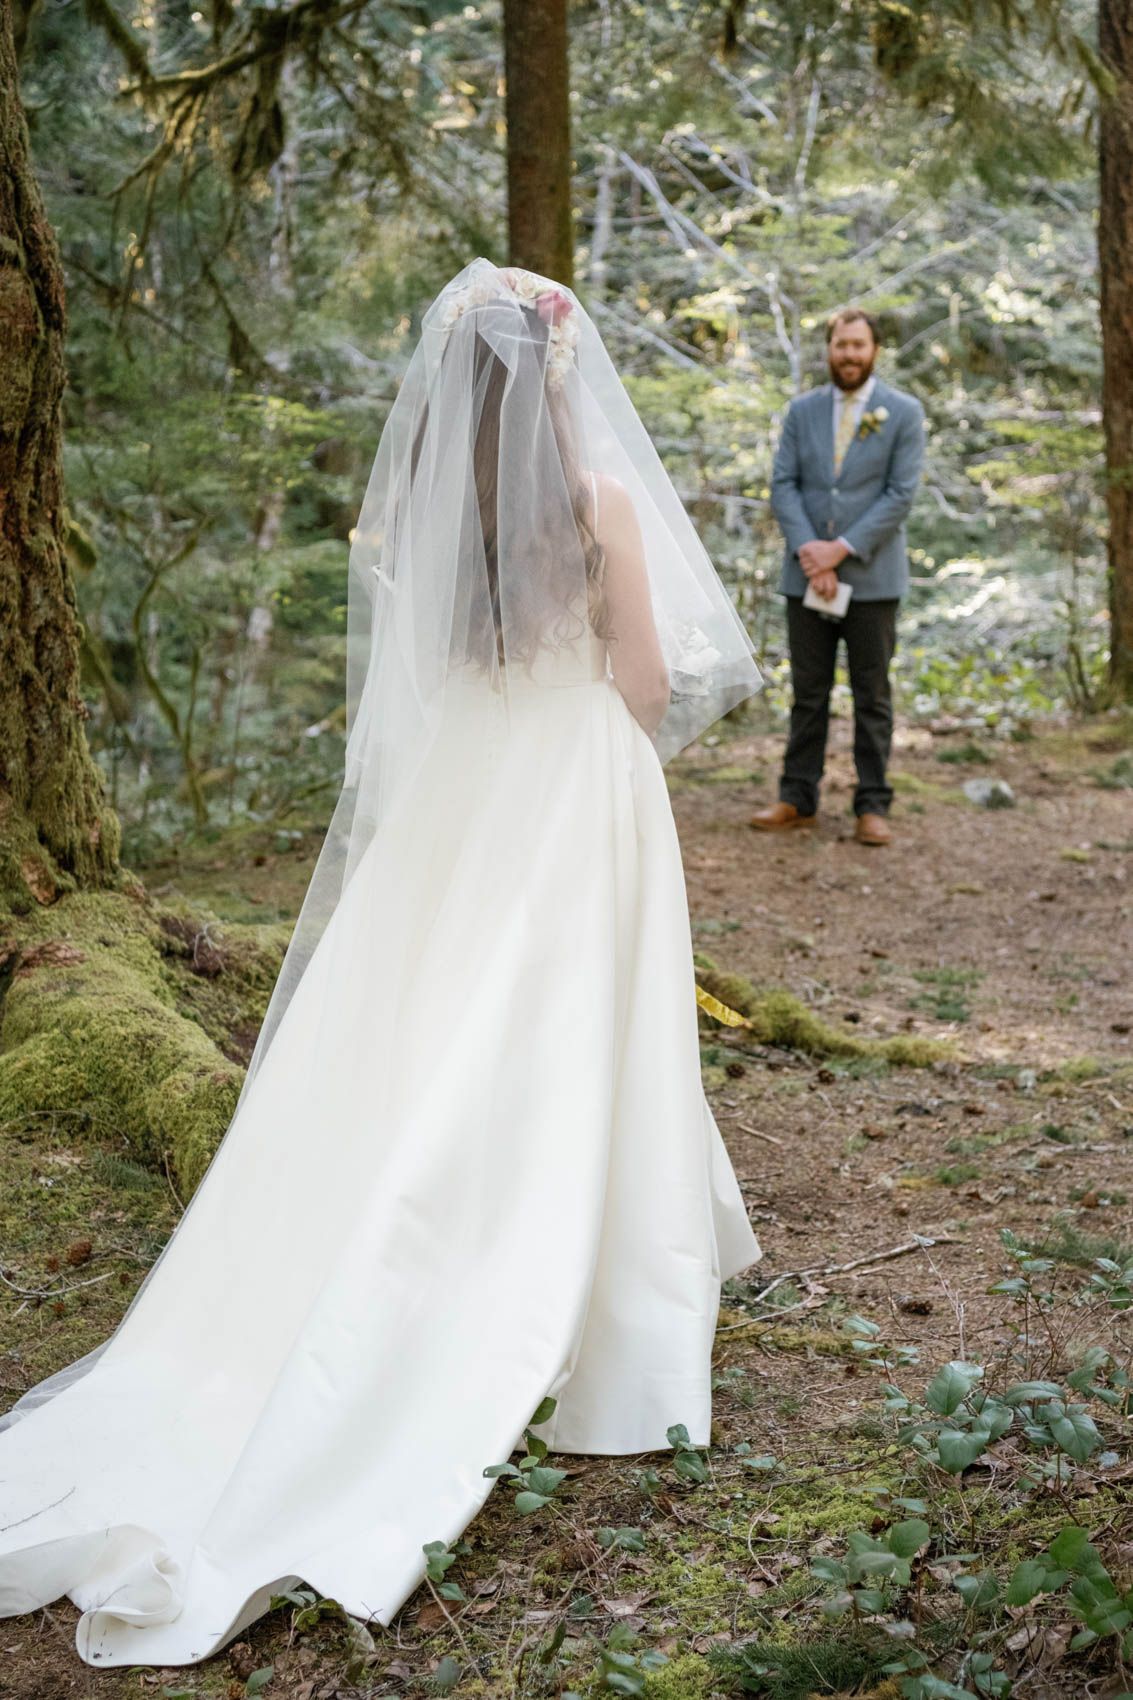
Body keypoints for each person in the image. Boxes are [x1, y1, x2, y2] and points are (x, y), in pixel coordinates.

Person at [0, 260, 763, 1668]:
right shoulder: (593, 503)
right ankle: (592, 1277)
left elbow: (431, 675)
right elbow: (648, 685)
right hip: (574, 781)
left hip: (468, 794)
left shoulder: (437, 512)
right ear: (546, 372)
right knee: (574, 1020)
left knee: (446, 1025)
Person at [750, 307, 925, 846]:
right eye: (840, 345)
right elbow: (784, 484)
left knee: (871, 695)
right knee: (808, 693)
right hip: (806, 577)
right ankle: (796, 796)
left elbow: (900, 494)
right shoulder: (801, 412)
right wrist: (811, 552)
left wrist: (840, 552)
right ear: (828, 349)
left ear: (874, 350)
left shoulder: (903, 412)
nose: (849, 354)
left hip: (872, 579)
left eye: (858, 345)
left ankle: (872, 804)